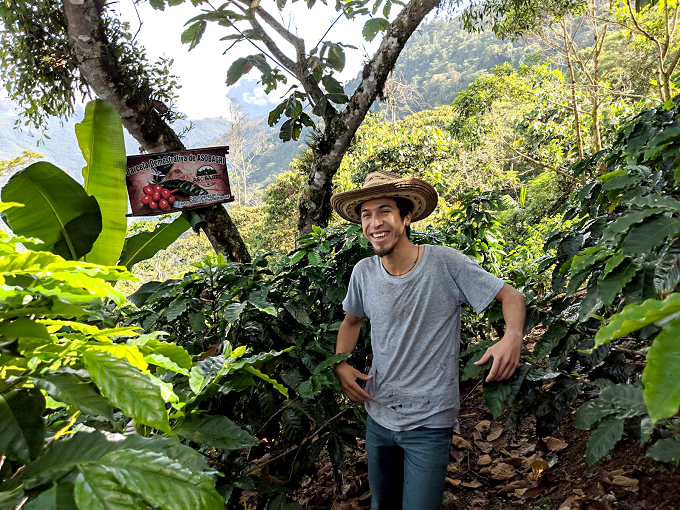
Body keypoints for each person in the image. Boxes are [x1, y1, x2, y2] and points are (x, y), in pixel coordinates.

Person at [330, 171, 526, 510]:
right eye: (366, 214)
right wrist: (341, 364)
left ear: (406, 217)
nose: (375, 223)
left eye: (385, 211)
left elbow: (512, 297)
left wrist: (511, 337)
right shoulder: (363, 272)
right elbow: (351, 321)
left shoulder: (443, 262)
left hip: (429, 420)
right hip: (378, 414)